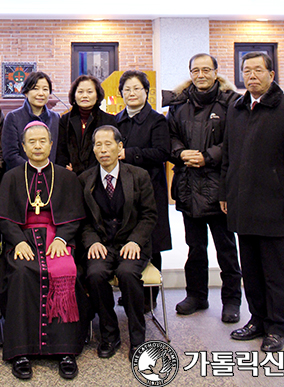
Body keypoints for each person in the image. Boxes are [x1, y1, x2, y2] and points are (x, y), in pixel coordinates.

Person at [220, 52, 284, 352]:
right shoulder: (237, 107)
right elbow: (228, 157)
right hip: (242, 203)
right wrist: (225, 194)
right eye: (247, 71)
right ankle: (257, 319)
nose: (252, 76)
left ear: (272, 74)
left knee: (276, 272)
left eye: (258, 70)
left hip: (276, 205)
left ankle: (277, 327)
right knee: (252, 269)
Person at [0, 121, 88, 380]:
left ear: (50, 144)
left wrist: (62, 239)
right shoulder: (12, 176)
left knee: (66, 270)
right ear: (23, 147)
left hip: (56, 238)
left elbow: (75, 217)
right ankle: (20, 351)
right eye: (31, 142)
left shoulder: (66, 176)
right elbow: (4, 218)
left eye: (42, 141)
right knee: (22, 272)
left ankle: (66, 350)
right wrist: (17, 242)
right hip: (22, 239)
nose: (37, 146)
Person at [163, 53, 242, 323]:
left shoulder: (231, 103)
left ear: (216, 72)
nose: (201, 75)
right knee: (195, 247)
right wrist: (181, 152)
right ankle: (196, 295)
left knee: (226, 248)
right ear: (190, 73)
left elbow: (235, 141)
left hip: (220, 188)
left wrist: (207, 156)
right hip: (187, 185)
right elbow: (170, 135)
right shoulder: (179, 103)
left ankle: (231, 300)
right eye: (195, 70)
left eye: (206, 69)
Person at [79, 125, 157, 361]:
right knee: (95, 274)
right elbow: (82, 220)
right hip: (102, 244)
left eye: (108, 144)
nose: (103, 150)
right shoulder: (84, 179)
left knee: (127, 274)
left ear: (120, 147)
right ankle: (109, 334)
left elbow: (149, 215)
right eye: (98, 145)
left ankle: (137, 338)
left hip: (131, 244)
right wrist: (91, 241)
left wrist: (135, 241)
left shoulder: (139, 175)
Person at [115, 70, 171, 311]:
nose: (132, 93)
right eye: (127, 89)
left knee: (151, 242)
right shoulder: (116, 120)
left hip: (150, 188)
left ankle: (149, 298)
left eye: (137, 88)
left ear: (146, 91)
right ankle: (129, 291)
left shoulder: (157, 120)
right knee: (126, 239)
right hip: (122, 191)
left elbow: (162, 153)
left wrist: (129, 153)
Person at [56, 74, 116, 175]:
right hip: (71, 177)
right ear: (74, 95)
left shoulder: (109, 121)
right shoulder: (65, 120)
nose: (84, 96)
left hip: (99, 176)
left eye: (89, 92)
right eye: (80, 92)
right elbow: (61, 151)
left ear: (97, 95)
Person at [2, 71, 59, 169]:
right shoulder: (13, 117)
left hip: (50, 176)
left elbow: (59, 151)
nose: (41, 93)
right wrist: (34, 170)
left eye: (45, 89)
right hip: (20, 175)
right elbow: (10, 154)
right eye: (35, 89)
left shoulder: (55, 118)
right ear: (26, 92)